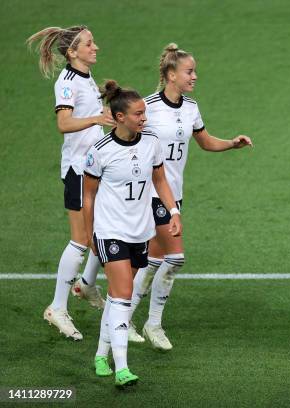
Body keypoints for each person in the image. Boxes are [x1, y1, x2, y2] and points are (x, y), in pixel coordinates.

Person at [127, 43, 252, 350]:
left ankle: (125, 318)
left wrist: (232, 144)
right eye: (189, 71)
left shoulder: (191, 107)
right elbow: (126, 142)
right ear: (171, 75)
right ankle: (153, 323)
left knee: (154, 260)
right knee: (175, 258)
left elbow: (205, 141)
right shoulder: (148, 107)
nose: (195, 76)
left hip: (174, 195)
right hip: (151, 193)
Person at [83, 80, 182, 388]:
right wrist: (90, 237)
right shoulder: (100, 151)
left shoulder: (151, 142)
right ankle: (122, 368)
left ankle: (101, 354)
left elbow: (161, 181)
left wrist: (173, 212)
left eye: (145, 113)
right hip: (110, 230)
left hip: (140, 230)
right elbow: (88, 197)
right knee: (124, 295)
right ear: (120, 117)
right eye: (138, 114)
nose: (144, 118)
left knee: (116, 298)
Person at [27, 25, 112, 340]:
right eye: (90, 44)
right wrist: (96, 119)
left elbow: (89, 119)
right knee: (80, 240)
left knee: (102, 232)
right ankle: (57, 307)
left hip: (95, 167)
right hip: (78, 171)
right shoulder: (67, 82)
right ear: (72, 52)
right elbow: (64, 123)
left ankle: (86, 286)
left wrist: (104, 117)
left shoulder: (86, 77)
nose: (96, 47)